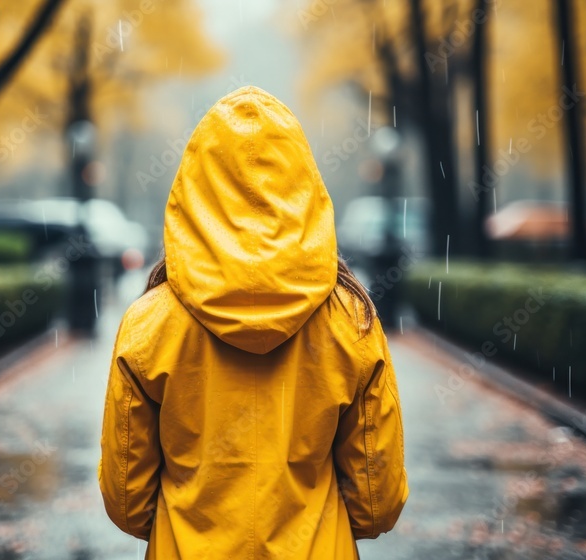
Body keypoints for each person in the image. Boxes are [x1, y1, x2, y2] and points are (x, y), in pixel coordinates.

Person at [99, 86, 408, 559]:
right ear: (303, 189)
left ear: (193, 189)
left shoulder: (151, 323)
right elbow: (375, 503)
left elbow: (126, 498)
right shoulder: (351, 323)